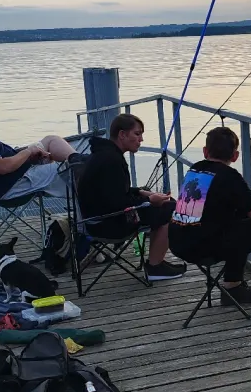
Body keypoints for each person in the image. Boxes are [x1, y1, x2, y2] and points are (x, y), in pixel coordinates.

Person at [168, 125, 251, 319]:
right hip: (203, 248)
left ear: (205, 151)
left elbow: (230, 202)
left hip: (178, 242)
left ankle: (232, 288)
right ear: (235, 156)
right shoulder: (229, 176)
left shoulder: (196, 169)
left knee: (239, 217)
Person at [76, 113, 186, 282]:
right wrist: (150, 201)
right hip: (107, 224)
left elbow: (113, 190)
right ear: (122, 134)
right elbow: (117, 203)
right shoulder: (111, 160)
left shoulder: (103, 153)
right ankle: (155, 267)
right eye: (137, 134)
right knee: (170, 208)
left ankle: (157, 262)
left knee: (164, 203)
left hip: (94, 219)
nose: (141, 139)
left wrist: (141, 192)